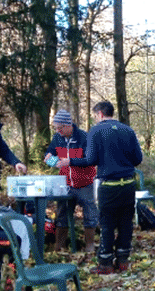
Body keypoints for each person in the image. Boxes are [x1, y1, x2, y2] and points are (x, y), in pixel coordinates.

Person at [57, 101, 142, 275]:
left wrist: (71, 161)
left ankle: (105, 264)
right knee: (126, 222)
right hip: (128, 184)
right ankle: (123, 261)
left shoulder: (95, 131)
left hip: (108, 185)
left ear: (100, 114)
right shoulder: (128, 130)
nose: (95, 119)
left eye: (95, 116)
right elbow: (138, 159)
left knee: (107, 223)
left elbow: (90, 160)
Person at [44, 109, 99, 253]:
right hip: (65, 183)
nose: (58, 131)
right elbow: (51, 150)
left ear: (68, 125)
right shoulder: (57, 138)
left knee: (90, 212)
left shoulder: (84, 138)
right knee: (62, 213)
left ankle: (90, 246)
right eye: (56, 128)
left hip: (84, 183)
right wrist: (48, 155)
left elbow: (90, 160)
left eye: (60, 128)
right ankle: (59, 247)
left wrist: (71, 161)